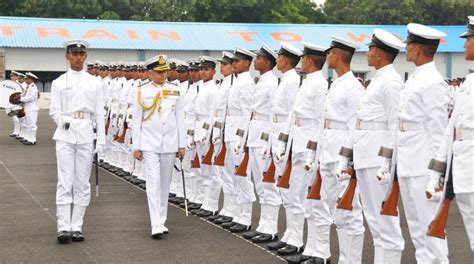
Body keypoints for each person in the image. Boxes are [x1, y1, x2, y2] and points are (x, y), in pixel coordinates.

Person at [377, 23, 450, 263]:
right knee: (418, 232)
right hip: (408, 162)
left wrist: (437, 175)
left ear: (416, 49)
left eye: (408, 44)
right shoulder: (416, 77)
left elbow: (438, 131)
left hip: (423, 164)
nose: (405, 49)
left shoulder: (434, 82)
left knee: (431, 232)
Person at [338, 29, 406, 264]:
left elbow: (394, 125)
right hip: (366, 156)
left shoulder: (391, 82)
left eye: (371, 49)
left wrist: (388, 161)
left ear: (381, 54)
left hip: (378, 160)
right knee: (375, 221)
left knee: (386, 222)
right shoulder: (378, 79)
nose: (367, 52)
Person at [425, 15, 474, 253]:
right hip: (463, 170)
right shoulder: (469, 82)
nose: (464, 45)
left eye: (469, 39)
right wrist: (439, 170)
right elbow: (451, 130)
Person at [49, 39, 106, 243]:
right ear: (67, 56)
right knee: (65, 181)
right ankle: (63, 227)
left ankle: (77, 226)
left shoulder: (95, 82)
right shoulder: (59, 82)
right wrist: (62, 119)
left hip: (85, 134)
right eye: (74, 54)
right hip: (65, 133)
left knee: (82, 183)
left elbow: (100, 112)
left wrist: (101, 139)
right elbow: (54, 110)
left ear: (85, 57)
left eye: (81, 54)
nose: (78, 57)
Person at [131, 54, 186, 239]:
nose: (163, 76)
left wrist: (182, 144)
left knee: (165, 183)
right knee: (153, 182)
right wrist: (136, 146)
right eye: (158, 72)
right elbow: (136, 121)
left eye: (165, 72)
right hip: (149, 143)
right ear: (149, 73)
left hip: (169, 143)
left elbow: (180, 119)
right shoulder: (140, 91)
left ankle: (162, 219)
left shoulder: (175, 90)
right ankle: (155, 222)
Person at [284, 42, 328, 263]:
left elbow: (321, 119)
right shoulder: (308, 81)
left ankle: (318, 249)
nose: (300, 62)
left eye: (303, 59)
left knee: (311, 200)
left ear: (310, 60)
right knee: (297, 196)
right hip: (299, 141)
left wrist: (314, 151)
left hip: (309, 144)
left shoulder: (319, 84)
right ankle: (303, 244)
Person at [239, 44, 281, 243]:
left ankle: (271, 227)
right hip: (255, 132)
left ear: (268, 62)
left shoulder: (271, 83)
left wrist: (269, 140)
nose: (255, 61)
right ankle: (263, 224)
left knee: (267, 183)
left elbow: (273, 114)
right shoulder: (262, 81)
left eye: (259, 58)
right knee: (260, 183)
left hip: (264, 133)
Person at [266, 42, 303, 255]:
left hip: (286, 137)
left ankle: (296, 237)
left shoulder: (292, 82)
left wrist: (285, 142)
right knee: (284, 189)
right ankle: (290, 233)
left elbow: (291, 115)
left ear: (287, 60)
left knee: (291, 191)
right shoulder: (286, 80)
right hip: (278, 133)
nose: (276, 59)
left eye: (279, 55)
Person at [222, 47, 256, 233]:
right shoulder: (237, 82)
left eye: (237, 61)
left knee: (242, 175)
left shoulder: (247, 83)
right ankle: (237, 212)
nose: (233, 63)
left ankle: (245, 216)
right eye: (233, 61)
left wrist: (242, 138)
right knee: (233, 175)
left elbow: (246, 114)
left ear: (247, 63)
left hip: (238, 133)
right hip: (231, 130)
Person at [20, 72, 40, 145]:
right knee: (28, 124)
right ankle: (29, 138)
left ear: (31, 79)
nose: (25, 80)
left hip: (32, 108)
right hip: (28, 107)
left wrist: (20, 99)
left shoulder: (32, 87)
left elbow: (30, 98)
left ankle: (32, 140)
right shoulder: (29, 87)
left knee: (32, 124)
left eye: (27, 78)